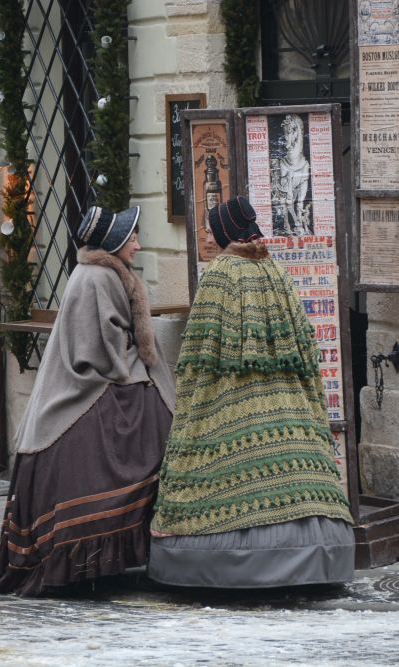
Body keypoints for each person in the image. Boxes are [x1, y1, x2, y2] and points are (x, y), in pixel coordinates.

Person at [148, 195, 355, 588]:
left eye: (211, 229)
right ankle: (319, 553)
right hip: (288, 401)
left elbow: (198, 352)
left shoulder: (221, 274)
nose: (207, 236)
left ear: (227, 232)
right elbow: (306, 345)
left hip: (229, 400)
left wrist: (190, 404)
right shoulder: (274, 270)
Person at [0, 204, 175, 596]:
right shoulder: (96, 279)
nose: (138, 246)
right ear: (115, 243)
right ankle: (85, 556)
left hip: (94, 379)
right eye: (133, 238)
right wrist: (136, 376)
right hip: (84, 386)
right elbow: (98, 350)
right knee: (143, 432)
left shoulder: (102, 273)